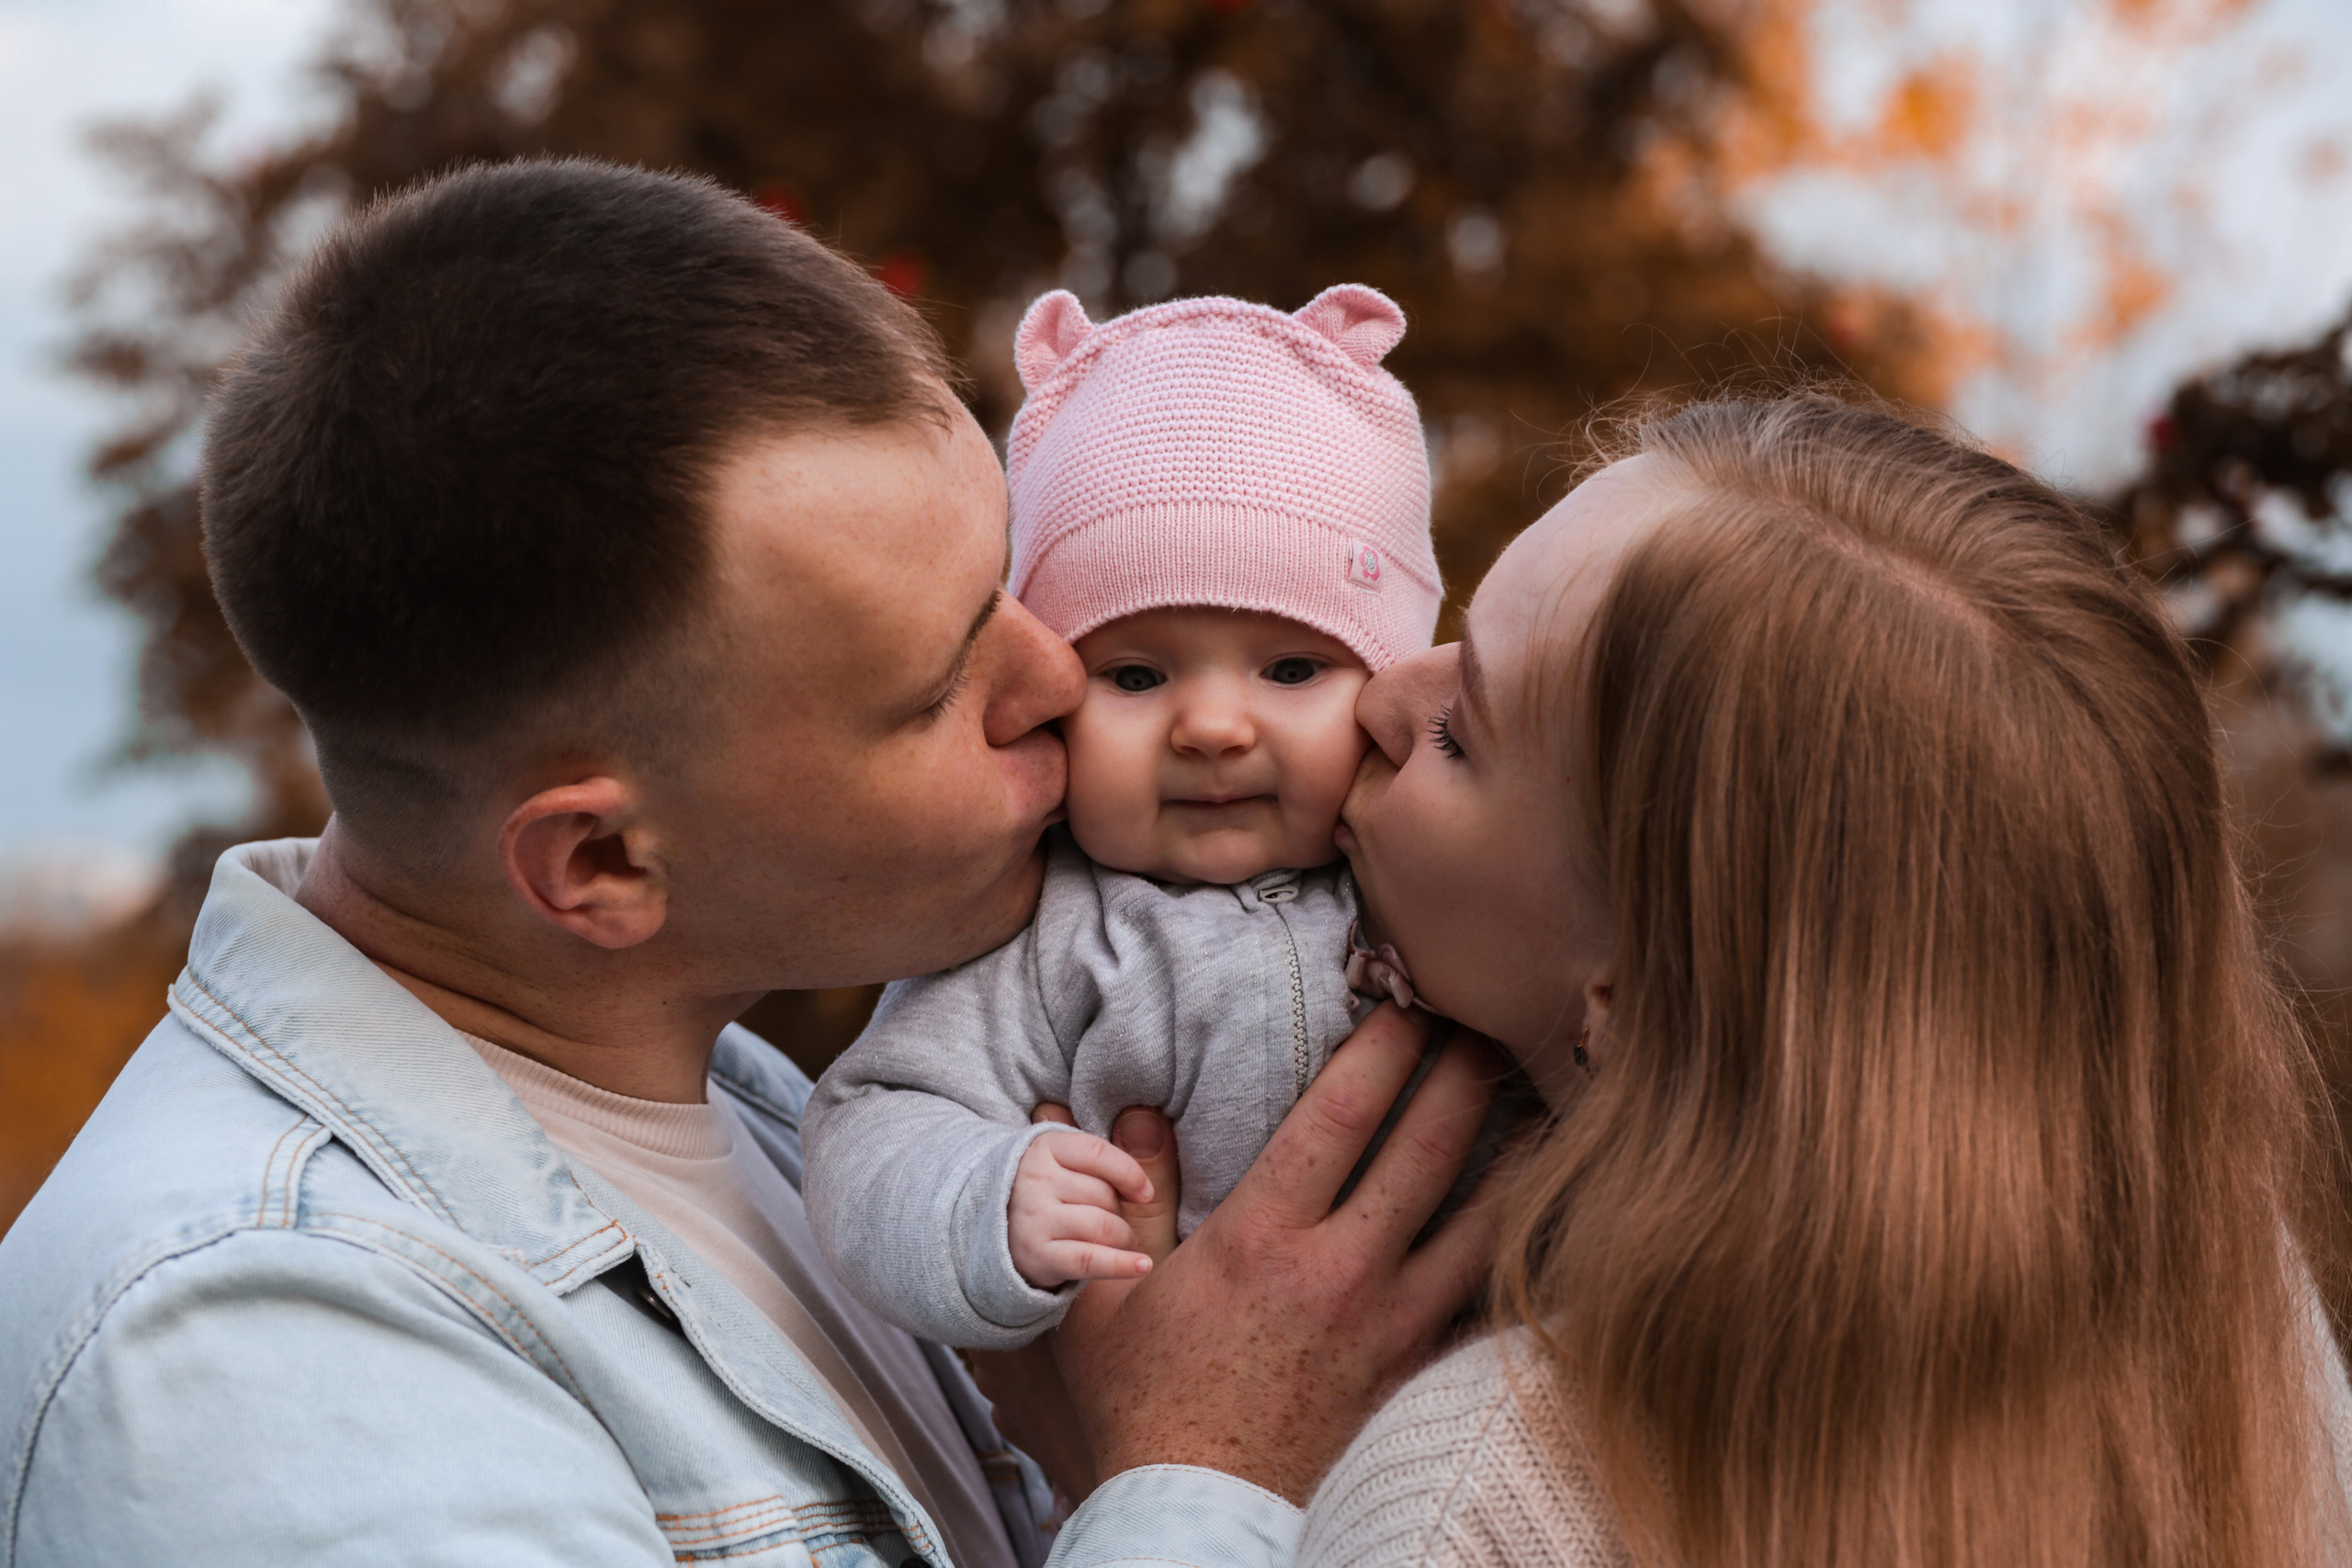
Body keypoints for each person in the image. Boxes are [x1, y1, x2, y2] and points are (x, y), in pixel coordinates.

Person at [0, 158, 1503, 1568]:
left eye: (1004, 583)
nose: (1060, 677)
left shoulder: (772, 1123)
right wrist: (1207, 1469)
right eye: (932, 685)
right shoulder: (268, 1365)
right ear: (599, 861)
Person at [1286, 390, 2352, 1566]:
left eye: (1460, 736)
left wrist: (1177, 1477)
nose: (1381, 695)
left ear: (1633, 997)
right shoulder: (2242, 1331)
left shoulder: (1468, 1501)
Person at [802, 283, 1497, 1348]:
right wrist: (985, 1199)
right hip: (1165, 1431)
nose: (1212, 726)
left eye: (1293, 666)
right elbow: (870, 1121)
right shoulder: (1038, 937)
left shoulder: (1449, 872)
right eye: (1132, 676)